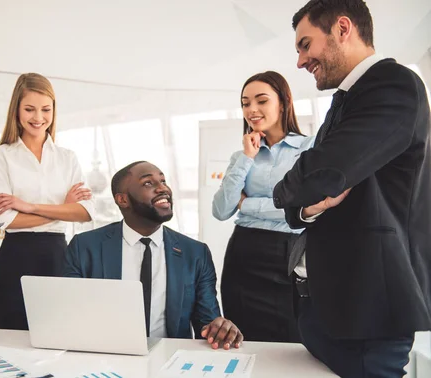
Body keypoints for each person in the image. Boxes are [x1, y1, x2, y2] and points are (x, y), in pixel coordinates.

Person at [272, 0, 431, 376]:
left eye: (305, 45)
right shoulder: (347, 99)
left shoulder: (394, 85)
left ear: (343, 28)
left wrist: (282, 191)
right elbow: (313, 189)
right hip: (327, 310)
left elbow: (322, 172)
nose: (300, 61)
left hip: (367, 313)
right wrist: (304, 205)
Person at [64, 161, 243, 349]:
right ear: (122, 200)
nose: (163, 189)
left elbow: (207, 323)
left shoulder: (196, 253)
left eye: (163, 181)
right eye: (148, 183)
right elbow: (70, 316)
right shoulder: (84, 247)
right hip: (104, 358)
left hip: (170, 362)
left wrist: (221, 329)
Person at [212, 71, 314, 343]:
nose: (252, 110)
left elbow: (306, 208)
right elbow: (221, 210)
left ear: (283, 103)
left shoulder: (309, 149)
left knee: (293, 338)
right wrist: (247, 158)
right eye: (245, 103)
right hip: (244, 254)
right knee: (243, 338)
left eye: (261, 100)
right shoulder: (242, 155)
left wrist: (248, 205)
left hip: (289, 253)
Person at [0, 73, 95, 330]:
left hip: (58, 257)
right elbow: (8, 221)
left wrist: (29, 206)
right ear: (17, 110)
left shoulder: (67, 158)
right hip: (15, 258)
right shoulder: (1, 156)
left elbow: (85, 212)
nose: (38, 118)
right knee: (10, 338)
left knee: (59, 335)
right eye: (29, 109)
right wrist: (63, 209)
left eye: (46, 109)